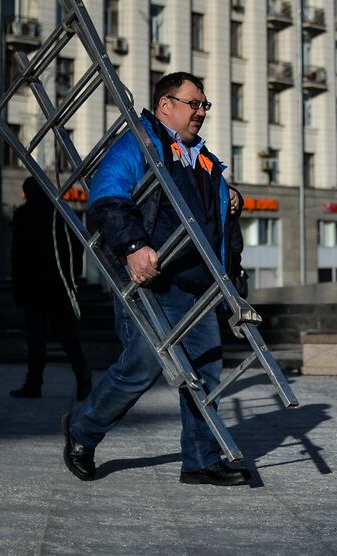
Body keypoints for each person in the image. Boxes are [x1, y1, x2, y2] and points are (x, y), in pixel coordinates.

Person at [63, 72, 248, 487]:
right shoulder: (140, 143)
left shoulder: (201, 157)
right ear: (166, 105)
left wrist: (232, 197)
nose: (201, 111)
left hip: (197, 285)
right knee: (140, 366)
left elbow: (212, 214)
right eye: (193, 103)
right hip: (150, 282)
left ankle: (201, 460)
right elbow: (108, 195)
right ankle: (82, 431)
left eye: (204, 104)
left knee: (206, 371)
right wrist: (132, 247)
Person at [9, 176, 92, 400]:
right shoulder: (59, 213)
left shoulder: (25, 215)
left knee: (37, 337)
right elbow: (76, 243)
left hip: (35, 287)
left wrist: (18, 287)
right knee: (64, 334)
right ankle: (81, 375)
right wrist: (72, 273)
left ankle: (34, 383)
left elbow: (17, 255)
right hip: (55, 286)